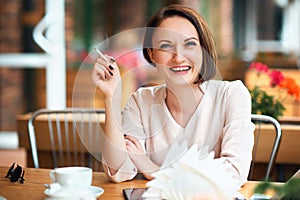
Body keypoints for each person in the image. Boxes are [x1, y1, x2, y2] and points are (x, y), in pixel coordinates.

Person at [92, 4, 254, 186]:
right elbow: (120, 171)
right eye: (166, 46)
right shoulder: (141, 101)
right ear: (152, 55)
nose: (178, 57)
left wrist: (155, 171)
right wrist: (111, 97)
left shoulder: (231, 95)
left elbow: (234, 171)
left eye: (190, 44)